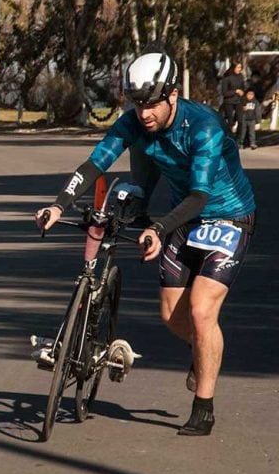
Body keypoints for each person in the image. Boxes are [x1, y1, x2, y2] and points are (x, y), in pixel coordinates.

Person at [35, 50, 256, 437]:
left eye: (151, 103)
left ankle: (203, 408)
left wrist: (157, 227)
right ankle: (205, 350)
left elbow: (199, 195)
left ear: (172, 95)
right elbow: (94, 164)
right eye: (137, 104)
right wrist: (58, 205)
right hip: (181, 218)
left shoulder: (203, 127)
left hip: (227, 216)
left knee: (203, 312)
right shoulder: (136, 123)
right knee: (173, 317)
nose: (144, 113)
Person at [220, 61, 245, 132]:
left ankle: (239, 138)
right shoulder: (227, 77)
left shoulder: (241, 76)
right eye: (238, 67)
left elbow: (243, 88)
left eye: (240, 68)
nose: (239, 69)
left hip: (238, 101)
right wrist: (235, 91)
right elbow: (224, 92)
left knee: (240, 120)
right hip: (229, 101)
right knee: (230, 121)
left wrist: (242, 92)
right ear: (233, 68)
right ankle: (230, 136)